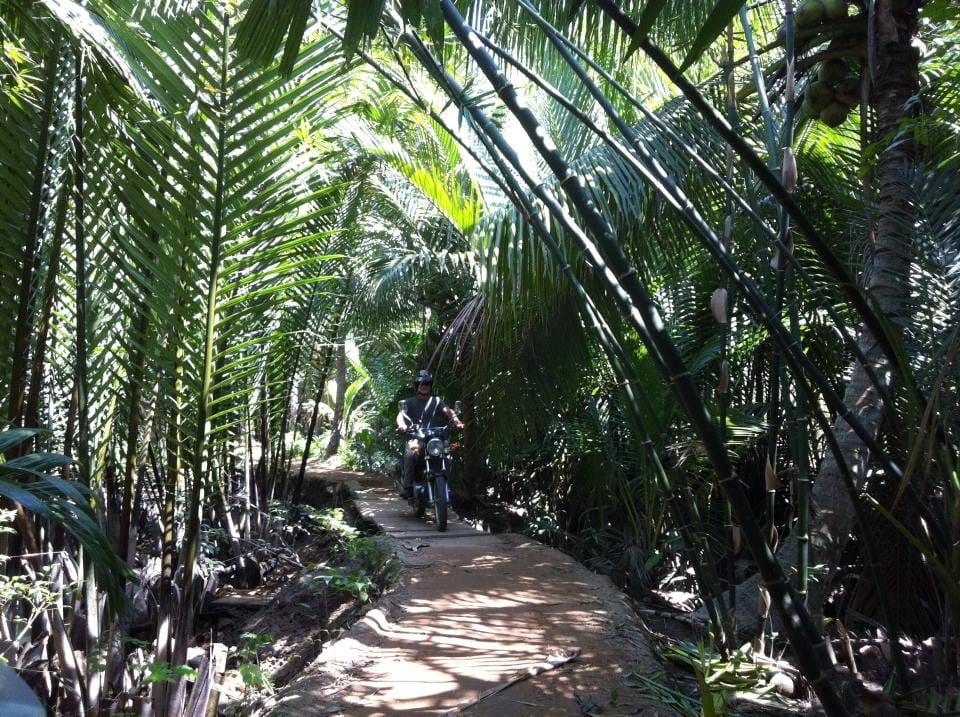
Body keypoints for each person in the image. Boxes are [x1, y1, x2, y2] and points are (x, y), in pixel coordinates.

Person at [396, 369, 463, 499]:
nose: (424, 386)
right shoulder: (409, 402)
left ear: (430, 385)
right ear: (417, 385)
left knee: (448, 455)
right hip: (416, 439)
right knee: (410, 455)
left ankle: (446, 486)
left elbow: (448, 411)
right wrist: (402, 425)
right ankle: (408, 487)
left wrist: (457, 421)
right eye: (421, 383)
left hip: (434, 438)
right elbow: (400, 415)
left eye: (427, 383)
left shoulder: (436, 401)